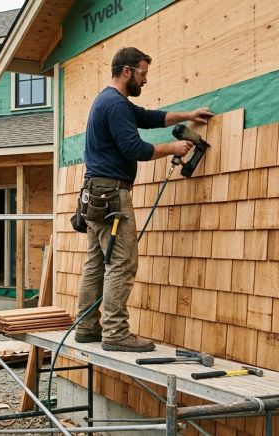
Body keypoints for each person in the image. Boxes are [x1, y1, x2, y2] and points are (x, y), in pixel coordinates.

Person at [75, 47, 213, 352]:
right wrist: (173, 149)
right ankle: (115, 332)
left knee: (96, 262)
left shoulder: (110, 101)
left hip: (94, 194)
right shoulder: (115, 104)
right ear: (127, 71)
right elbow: (134, 148)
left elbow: (150, 118)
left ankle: (86, 326)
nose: (145, 80)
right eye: (143, 73)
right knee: (122, 262)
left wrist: (188, 115)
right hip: (111, 195)